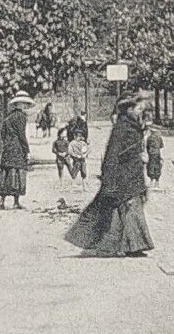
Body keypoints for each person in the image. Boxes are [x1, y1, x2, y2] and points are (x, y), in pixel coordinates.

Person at [65, 90, 153, 256]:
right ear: (128, 109)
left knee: (125, 209)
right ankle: (130, 246)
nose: (140, 111)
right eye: (138, 108)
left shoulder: (132, 126)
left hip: (130, 175)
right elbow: (114, 154)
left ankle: (130, 245)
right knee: (126, 209)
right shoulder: (124, 127)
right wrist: (110, 177)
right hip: (123, 176)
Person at [0, 90, 34, 210]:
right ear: (20, 104)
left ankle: (2, 201)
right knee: (18, 172)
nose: (26, 106)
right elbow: (22, 135)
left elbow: (2, 133)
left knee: (5, 173)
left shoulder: (8, 117)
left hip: (8, 148)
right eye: (25, 104)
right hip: (17, 148)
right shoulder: (21, 116)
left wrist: (7, 143)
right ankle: (16, 202)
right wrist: (27, 150)